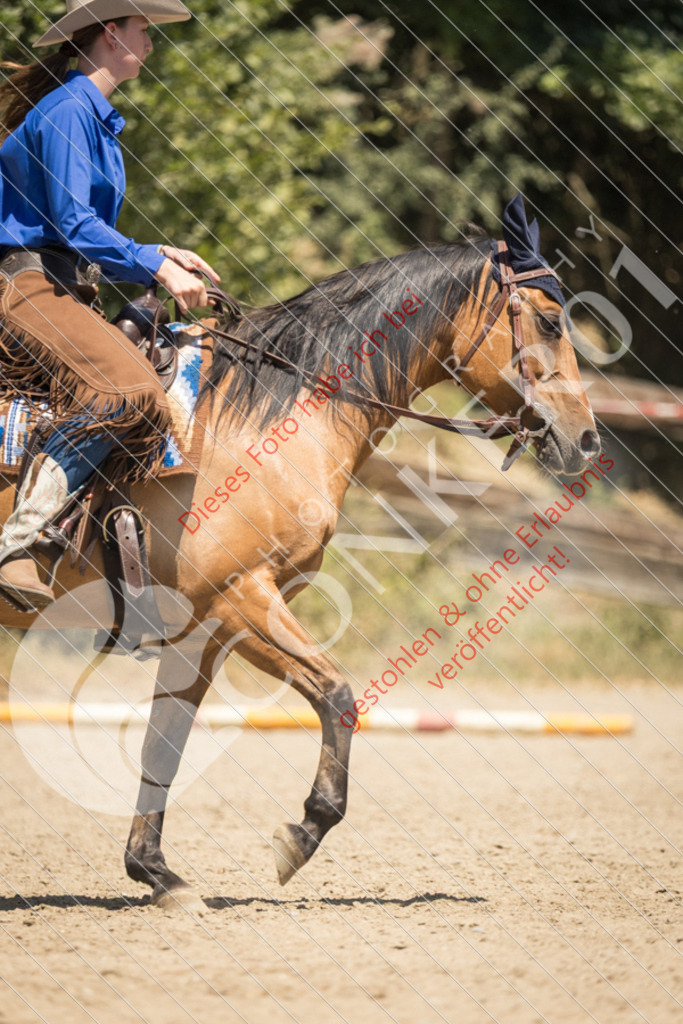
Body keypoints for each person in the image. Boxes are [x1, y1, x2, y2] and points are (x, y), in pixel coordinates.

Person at [0, 0, 219, 612]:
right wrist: (155, 266)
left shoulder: (90, 116)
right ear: (111, 34)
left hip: (59, 284)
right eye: (142, 31)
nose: (150, 43)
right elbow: (74, 224)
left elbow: (78, 231)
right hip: (25, 286)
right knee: (126, 392)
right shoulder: (70, 110)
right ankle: (19, 542)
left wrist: (157, 252)